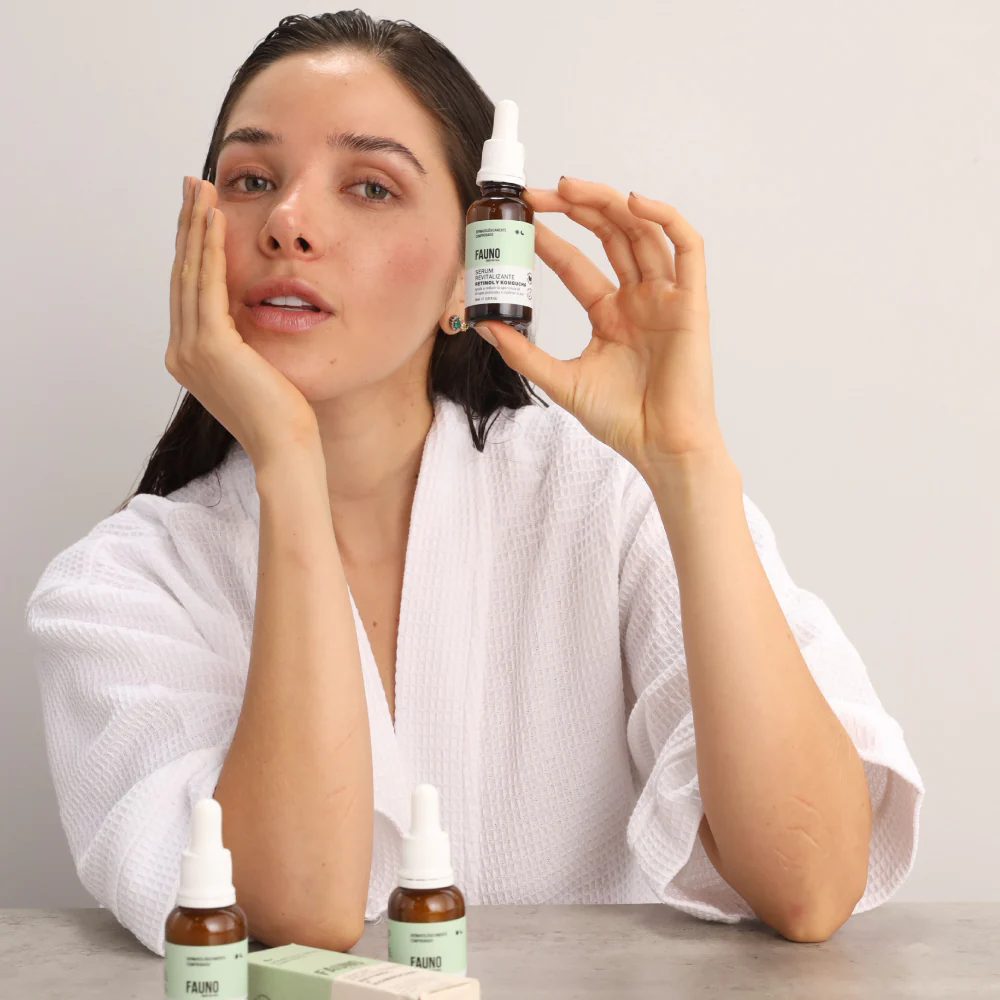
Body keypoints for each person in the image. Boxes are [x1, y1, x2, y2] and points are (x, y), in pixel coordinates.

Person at [25, 10, 924, 958]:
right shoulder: (119, 588)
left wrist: (686, 466)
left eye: (370, 186)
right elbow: (290, 921)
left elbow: (810, 884)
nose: (287, 222)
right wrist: (288, 460)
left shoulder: (608, 504)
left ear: (470, 269)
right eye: (253, 180)